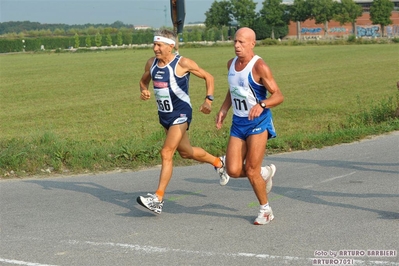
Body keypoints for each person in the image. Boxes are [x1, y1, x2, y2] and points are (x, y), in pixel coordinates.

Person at [137, 29, 229, 214]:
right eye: (154, 45)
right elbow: (143, 80)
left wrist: (208, 100)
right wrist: (144, 90)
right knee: (186, 152)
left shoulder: (183, 63)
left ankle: (158, 199)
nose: (155, 48)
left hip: (181, 113)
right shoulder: (151, 63)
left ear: (170, 46)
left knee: (166, 152)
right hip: (165, 115)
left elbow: (208, 77)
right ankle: (219, 163)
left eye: (159, 45)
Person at [215, 27, 284, 225]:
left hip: (258, 122)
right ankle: (265, 173)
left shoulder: (259, 66)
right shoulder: (231, 64)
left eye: (242, 42)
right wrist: (223, 109)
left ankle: (265, 210)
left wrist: (262, 105)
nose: (237, 45)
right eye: (235, 41)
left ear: (252, 44)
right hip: (238, 123)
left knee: (251, 170)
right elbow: (233, 90)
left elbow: (278, 95)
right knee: (233, 170)